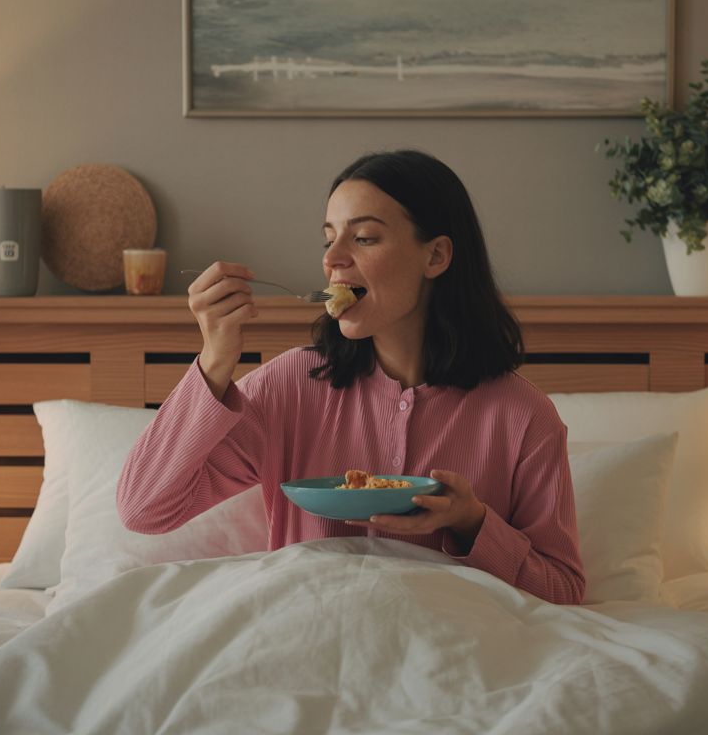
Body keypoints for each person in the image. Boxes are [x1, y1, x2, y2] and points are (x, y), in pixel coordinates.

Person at [116, 150, 585, 605]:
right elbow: (144, 509)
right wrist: (215, 360)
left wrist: (473, 523)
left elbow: (562, 588)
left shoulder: (524, 416)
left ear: (436, 256)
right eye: (328, 238)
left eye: (363, 238)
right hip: (308, 638)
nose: (333, 258)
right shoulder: (290, 387)